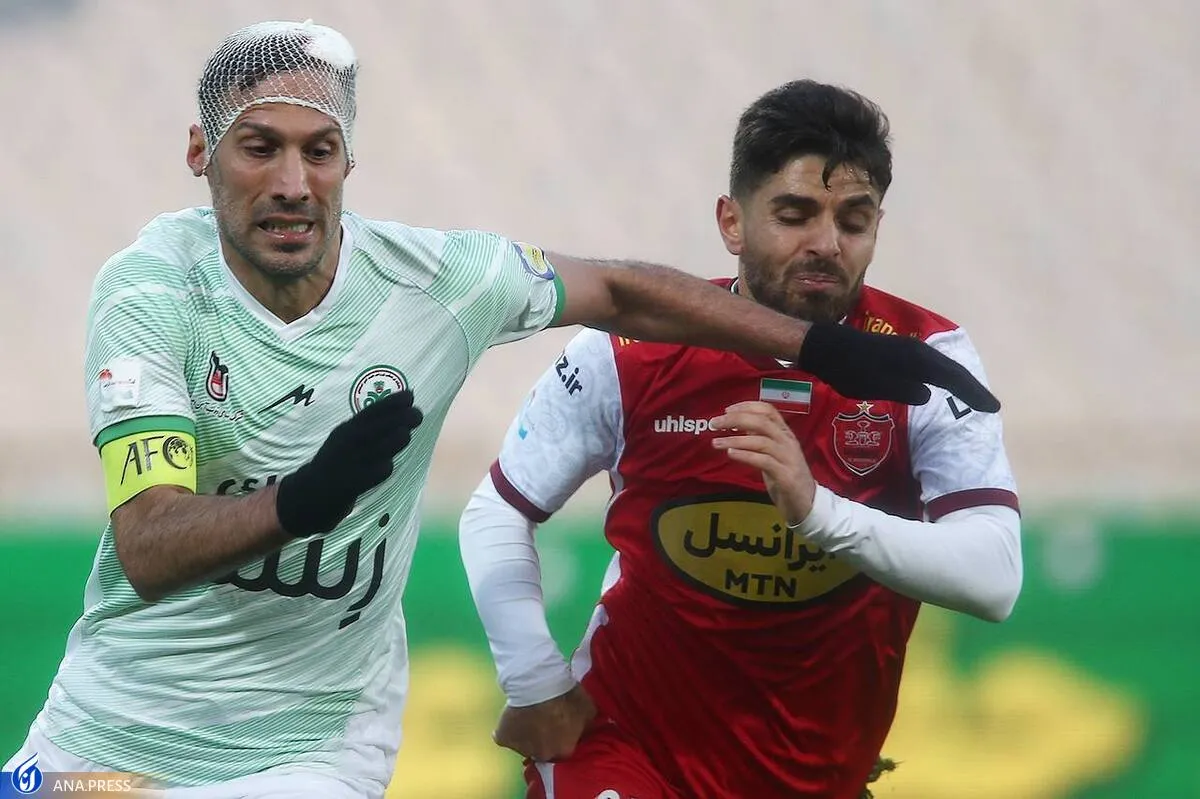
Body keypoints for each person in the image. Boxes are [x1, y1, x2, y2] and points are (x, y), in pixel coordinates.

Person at [2, 19, 997, 799]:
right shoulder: (150, 291)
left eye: (321, 151)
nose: (294, 184)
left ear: (351, 161)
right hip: (108, 734)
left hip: (306, 743)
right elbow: (148, 544)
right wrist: (303, 501)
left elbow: (622, 290)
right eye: (260, 148)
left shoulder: (441, 281)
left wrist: (822, 349)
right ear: (200, 153)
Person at [458, 79, 1023, 799]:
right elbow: (498, 509)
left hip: (815, 773)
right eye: (794, 215)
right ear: (732, 222)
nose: (826, 244)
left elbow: (994, 577)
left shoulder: (924, 359)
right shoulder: (629, 351)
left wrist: (817, 511)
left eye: (854, 221)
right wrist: (535, 681)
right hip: (631, 750)